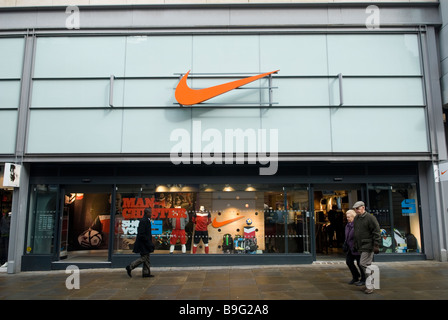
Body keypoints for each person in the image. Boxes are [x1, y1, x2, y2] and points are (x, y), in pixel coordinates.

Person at [352, 201, 381, 294]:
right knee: (366, 265)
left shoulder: (370, 218)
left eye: (358, 208)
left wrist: (376, 245)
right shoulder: (356, 218)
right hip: (360, 245)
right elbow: (356, 232)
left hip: (368, 245)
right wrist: (355, 244)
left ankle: (372, 283)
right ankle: (369, 285)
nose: (356, 210)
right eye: (355, 209)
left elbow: (376, 232)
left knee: (363, 264)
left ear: (363, 208)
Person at [126, 207, 155, 278]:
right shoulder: (144, 221)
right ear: (147, 213)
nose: (151, 214)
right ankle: (130, 266)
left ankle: (146, 273)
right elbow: (142, 234)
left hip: (145, 242)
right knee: (144, 258)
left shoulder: (145, 220)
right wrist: (148, 241)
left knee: (147, 257)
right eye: (150, 213)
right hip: (143, 243)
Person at [344, 209, 365, 285]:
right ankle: (355, 276)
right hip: (350, 248)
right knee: (349, 262)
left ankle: (363, 279)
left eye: (349, 217)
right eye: (347, 217)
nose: (347, 218)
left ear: (353, 217)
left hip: (357, 248)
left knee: (360, 264)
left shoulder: (358, 225)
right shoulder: (347, 225)